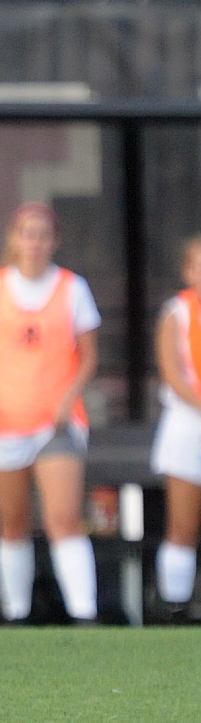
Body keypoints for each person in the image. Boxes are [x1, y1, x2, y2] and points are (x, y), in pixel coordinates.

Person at [0, 202, 100, 624]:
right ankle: (17, 612)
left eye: (43, 235)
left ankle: (84, 612)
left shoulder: (73, 288)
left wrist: (69, 398)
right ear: (14, 238)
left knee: (63, 517)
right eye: (27, 234)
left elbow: (89, 355)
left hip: (55, 421)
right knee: (13, 520)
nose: (34, 243)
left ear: (54, 241)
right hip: (4, 419)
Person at [151, 234, 201, 622]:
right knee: (183, 525)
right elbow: (172, 374)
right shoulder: (176, 313)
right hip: (187, 424)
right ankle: (175, 607)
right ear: (188, 271)